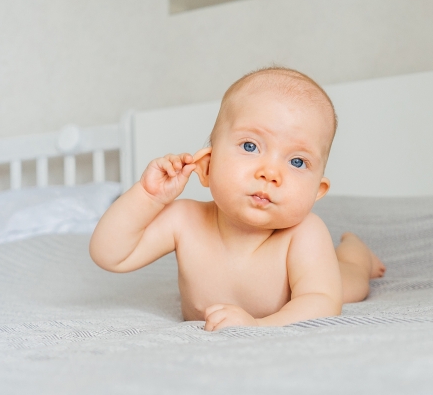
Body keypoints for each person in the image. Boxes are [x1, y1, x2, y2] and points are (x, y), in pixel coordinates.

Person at [89, 67, 385, 331]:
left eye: (297, 162)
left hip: (319, 280)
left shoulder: (304, 233)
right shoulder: (184, 220)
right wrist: (147, 196)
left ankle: (355, 253)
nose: (270, 173)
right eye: (250, 145)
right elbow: (111, 254)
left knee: (352, 282)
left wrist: (258, 326)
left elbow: (322, 302)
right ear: (206, 166)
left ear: (316, 192)